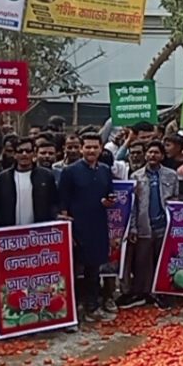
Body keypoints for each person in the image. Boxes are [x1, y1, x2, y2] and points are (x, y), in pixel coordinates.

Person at [58, 134, 117, 323]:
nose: (92, 151)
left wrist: (108, 202)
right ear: (81, 149)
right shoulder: (70, 171)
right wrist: (68, 229)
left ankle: (92, 306)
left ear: (101, 149)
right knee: (73, 271)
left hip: (98, 225)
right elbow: (63, 203)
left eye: (95, 147)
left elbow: (111, 196)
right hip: (76, 227)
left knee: (94, 270)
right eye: (88, 147)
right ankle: (71, 310)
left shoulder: (105, 170)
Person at [122, 140, 178, 311]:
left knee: (162, 261)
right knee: (142, 262)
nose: (153, 155)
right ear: (145, 154)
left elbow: (177, 199)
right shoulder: (135, 176)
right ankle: (142, 293)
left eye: (156, 152)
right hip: (143, 226)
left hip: (164, 226)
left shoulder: (172, 175)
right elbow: (133, 206)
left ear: (162, 155)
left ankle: (160, 293)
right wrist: (132, 228)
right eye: (150, 152)